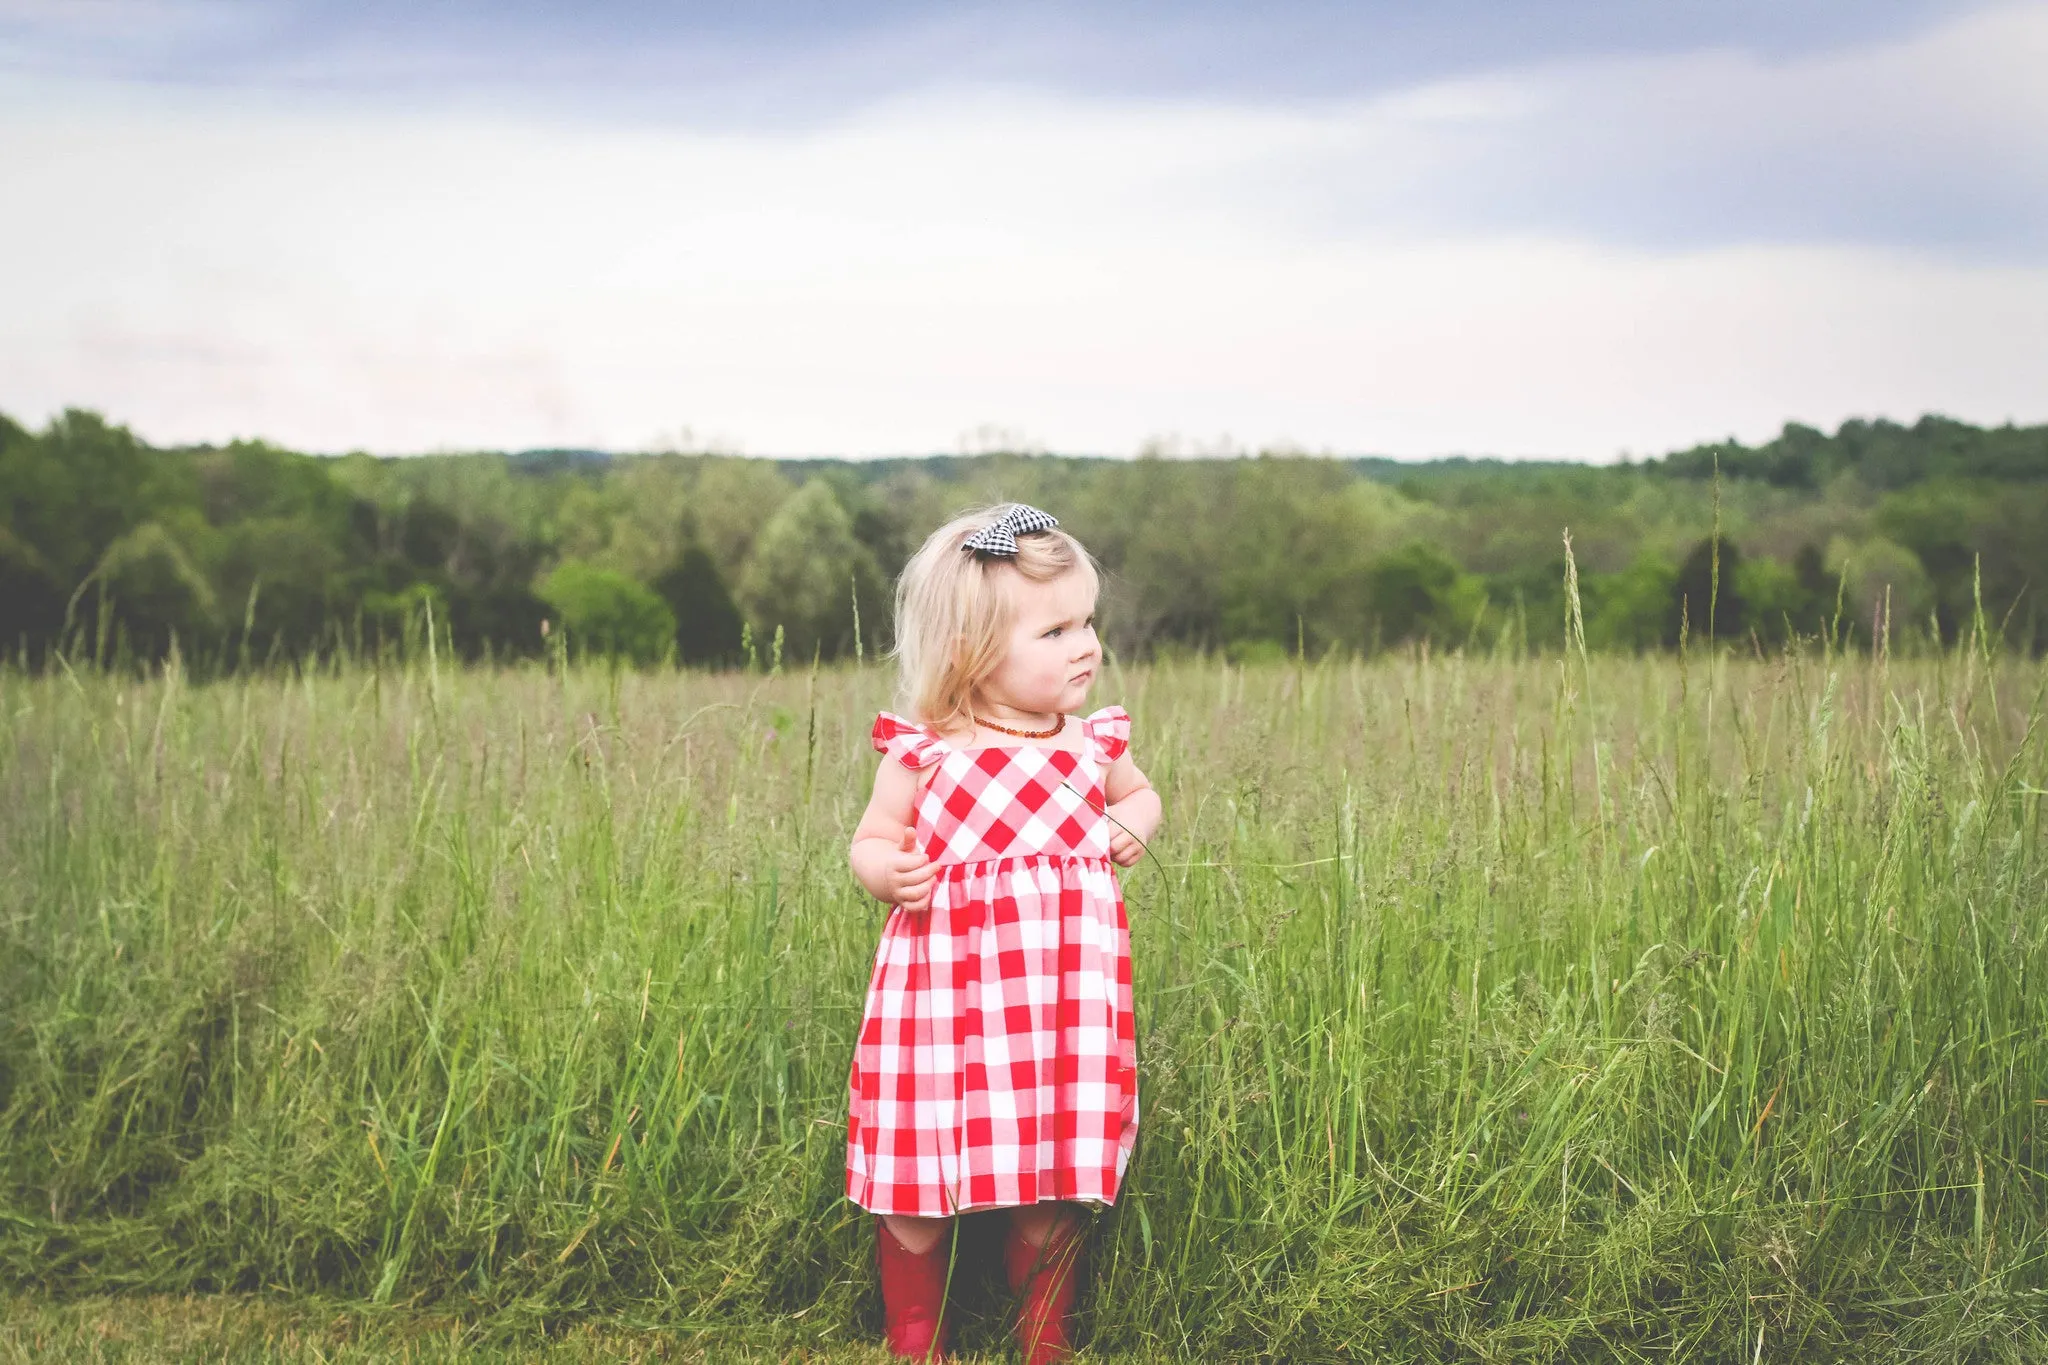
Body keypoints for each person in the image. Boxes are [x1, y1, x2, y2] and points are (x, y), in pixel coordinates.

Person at [846, 503, 1162, 1363]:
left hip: (1057, 998)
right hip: (943, 1000)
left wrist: (1133, 823)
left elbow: (1140, 796)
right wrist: (886, 869)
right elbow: (871, 839)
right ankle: (916, 1334)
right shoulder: (927, 751)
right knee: (917, 1158)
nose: (1086, 644)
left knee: (1053, 1156)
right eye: (1056, 629)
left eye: (1087, 620)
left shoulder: (1090, 745)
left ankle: (1046, 1333)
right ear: (971, 651)